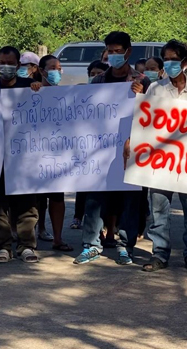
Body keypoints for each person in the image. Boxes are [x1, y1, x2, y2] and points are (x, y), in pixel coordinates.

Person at [139, 40, 187, 273]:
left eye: (175, 59)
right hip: (160, 162)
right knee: (159, 210)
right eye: (167, 59)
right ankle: (159, 254)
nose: (170, 63)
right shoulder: (155, 89)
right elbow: (144, 124)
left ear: (184, 62)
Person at [73, 31, 150, 266]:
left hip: (131, 150)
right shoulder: (98, 81)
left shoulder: (143, 82)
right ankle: (91, 245)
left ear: (128, 52)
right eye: (110, 51)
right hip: (100, 150)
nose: (114, 55)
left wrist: (143, 97)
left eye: (118, 51)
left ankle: (126, 246)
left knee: (130, 199)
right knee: (94, 198)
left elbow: (152, 115)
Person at [0, 46, 42, 264]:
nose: (5, 66)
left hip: (24, 157)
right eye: (2, 62)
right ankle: (3, 246)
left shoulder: (29, 87)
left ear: (18, 65)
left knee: (26, 202)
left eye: (10, 63)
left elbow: (50, 106)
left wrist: (41, 88)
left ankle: (26, 245)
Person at [33, 55, 73, 251]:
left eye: (59, 67)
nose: (56, 71)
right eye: (52, 68)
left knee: (57, 197)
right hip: (33, 155)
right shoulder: (31, 92)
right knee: (36, 198)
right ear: (41, 71)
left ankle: (58, 237)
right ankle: (34, 233)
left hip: (58, 157)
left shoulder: (66, 95)